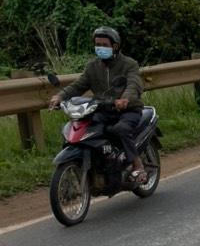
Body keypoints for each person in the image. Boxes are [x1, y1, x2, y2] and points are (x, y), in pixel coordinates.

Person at [49, 27, 147, 182]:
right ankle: (95, 164)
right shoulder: (92, 66)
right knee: (81, 130)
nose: (100, 48)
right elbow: (78, 85)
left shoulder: (129, 64)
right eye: (97, 44)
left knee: (121, 129)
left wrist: (125, 98)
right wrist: (60, 96)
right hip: (103, 109)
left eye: (104, 45)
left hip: (127, 110)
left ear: (115, 46)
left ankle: (137, 165)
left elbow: (133, 84)